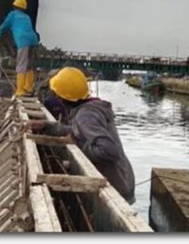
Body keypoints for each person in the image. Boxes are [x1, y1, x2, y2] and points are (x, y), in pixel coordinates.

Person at [26, 67, 136, 204]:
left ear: (60, 96)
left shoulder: (86, 116)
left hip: (115, 187)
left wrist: (78, 144)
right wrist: (48, 126)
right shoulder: (90, 109)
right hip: (124, 179)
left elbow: (108, 150)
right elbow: (78, 130)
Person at [0, 0, 39, 97]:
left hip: (23, 40)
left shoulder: (12, 15)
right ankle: (29, 88)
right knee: (29, 65)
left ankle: (20, 90)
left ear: (14, 6)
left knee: (21, 65)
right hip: (33, 40)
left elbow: (4, 26)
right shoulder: (27, 17)